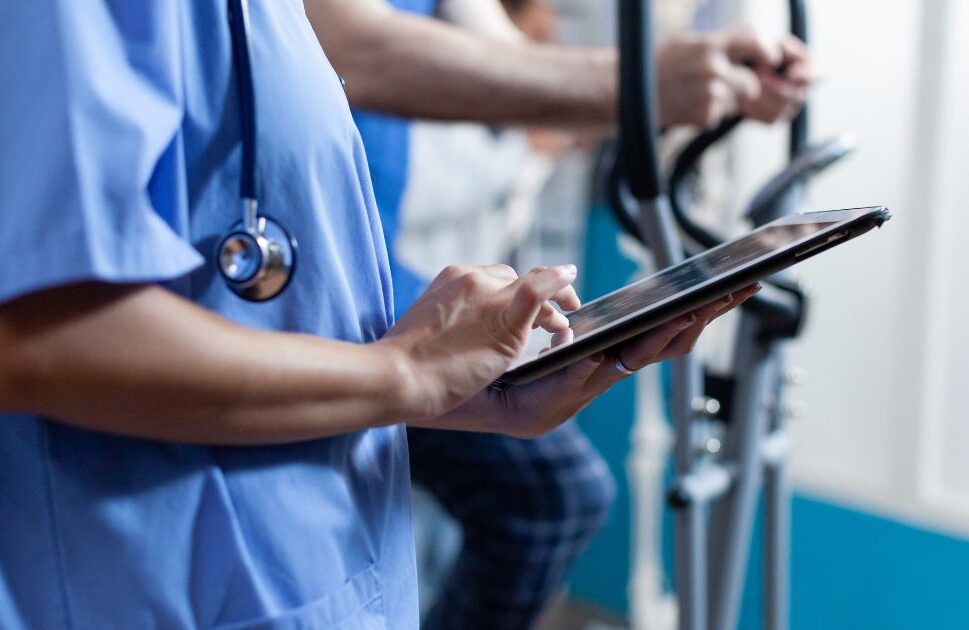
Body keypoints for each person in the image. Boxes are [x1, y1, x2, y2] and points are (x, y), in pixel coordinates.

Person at [0, 2, 760, 628]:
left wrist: (455, 392)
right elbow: (34, 335)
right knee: (547, 496)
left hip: (311, 569)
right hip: (154, 587)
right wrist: (402, 371)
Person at [305, 0, 815, 627]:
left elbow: (517, 66)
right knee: (552, 493)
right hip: (321, 288)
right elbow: (349, 46)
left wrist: (672, 80)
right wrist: (640, 84)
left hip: (368, 272)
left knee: (545, 489)